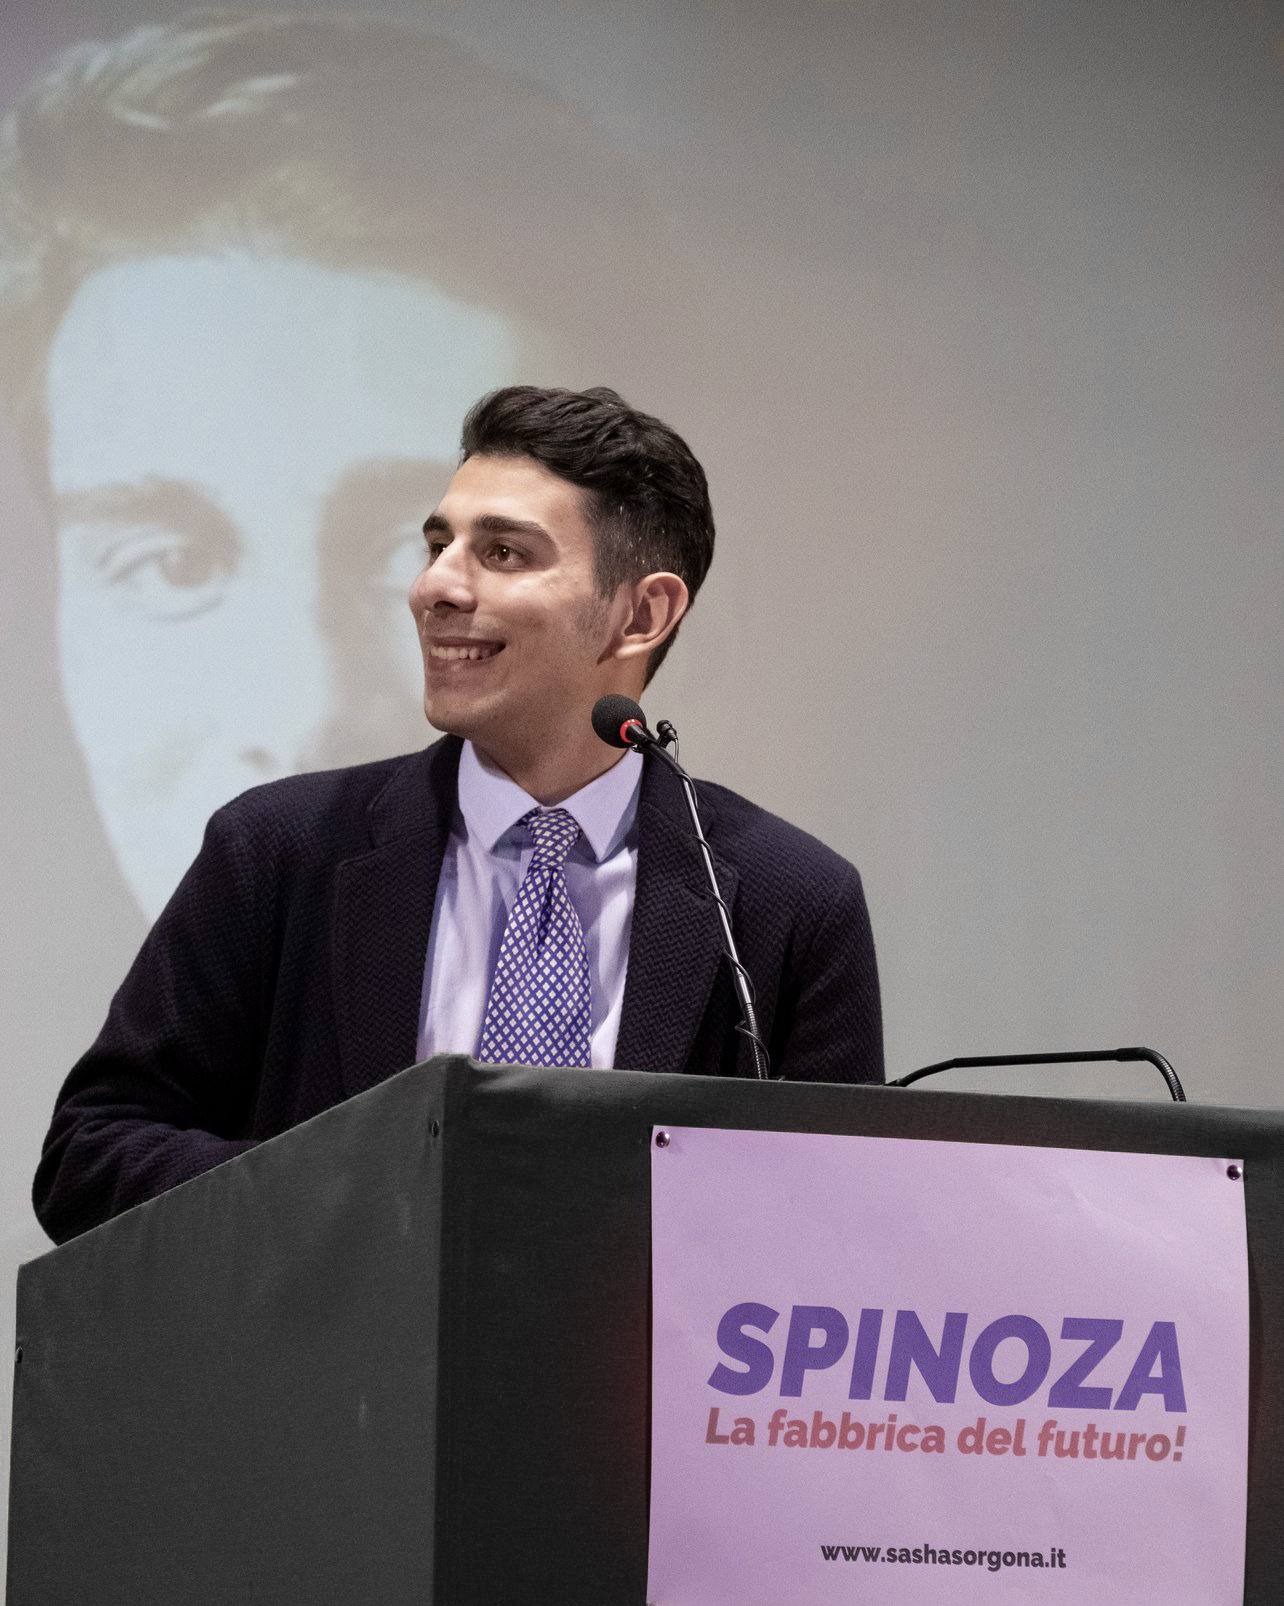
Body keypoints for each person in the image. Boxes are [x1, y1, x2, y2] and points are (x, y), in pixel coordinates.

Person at [34, 385, 883, 1244]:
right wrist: (358, 1198)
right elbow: (89, 1157)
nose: (433, 586)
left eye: (503, 552)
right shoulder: (276, 849)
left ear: (641, 613)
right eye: (439, 545)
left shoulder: (788, 903)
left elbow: (844, 1232)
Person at [0, 11, 660, 920]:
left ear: (635, 619)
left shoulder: (768, 926)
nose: (301, 712)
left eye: (421, 551)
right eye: (172, 564)